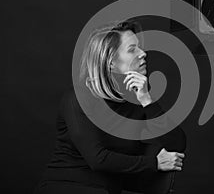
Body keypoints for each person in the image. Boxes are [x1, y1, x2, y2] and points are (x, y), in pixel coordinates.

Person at [34, 20, 186, 194]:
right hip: (67, 186)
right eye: (132, 49)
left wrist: (146, 100)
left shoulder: (135, 96)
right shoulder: (78, 98)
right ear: (111, 62)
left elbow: (177, 143)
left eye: (140, 47)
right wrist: (154, 163)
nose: (143, 53)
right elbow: (98, 159)